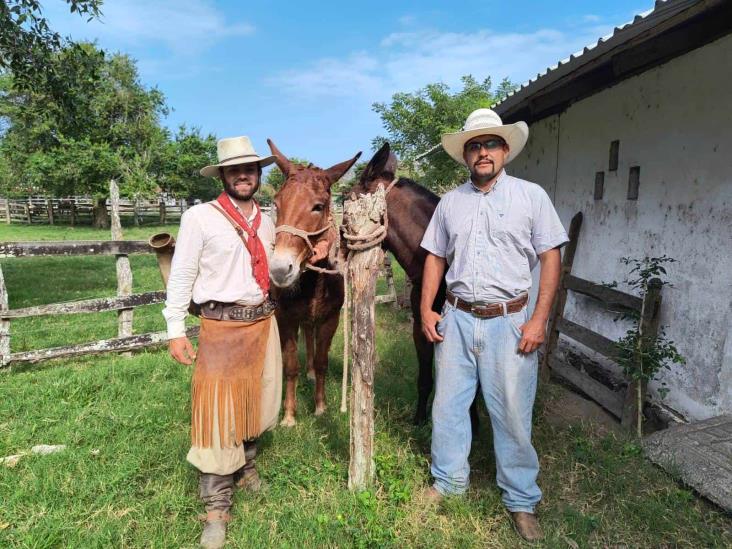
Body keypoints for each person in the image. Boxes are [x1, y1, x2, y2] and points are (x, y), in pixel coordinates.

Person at [419, 108, 568, 542]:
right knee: (447, 407)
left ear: (505, 150)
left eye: (490, 144)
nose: (482, 152)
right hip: (458, 318)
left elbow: (550, 257)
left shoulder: (531, 197)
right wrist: (427, 308)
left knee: (513, 415)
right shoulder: (450, 202)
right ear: (465, 155)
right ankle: (448, 483)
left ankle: (521, 499)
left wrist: (538, 319)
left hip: (510, 320)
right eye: (474, 146)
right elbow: (435, 256)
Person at [163, 136, 286, 549]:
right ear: (223, 176)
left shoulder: (269, 221)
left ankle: (246, 466)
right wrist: (175, 328)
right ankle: (216, 507)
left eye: (249, 169)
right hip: (221, 326)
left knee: (259, 400)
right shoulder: (200, 217)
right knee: (216, 417)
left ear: (258, 174)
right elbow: (181, 274)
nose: (243, 175)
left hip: (263, 322)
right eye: (234, 170)